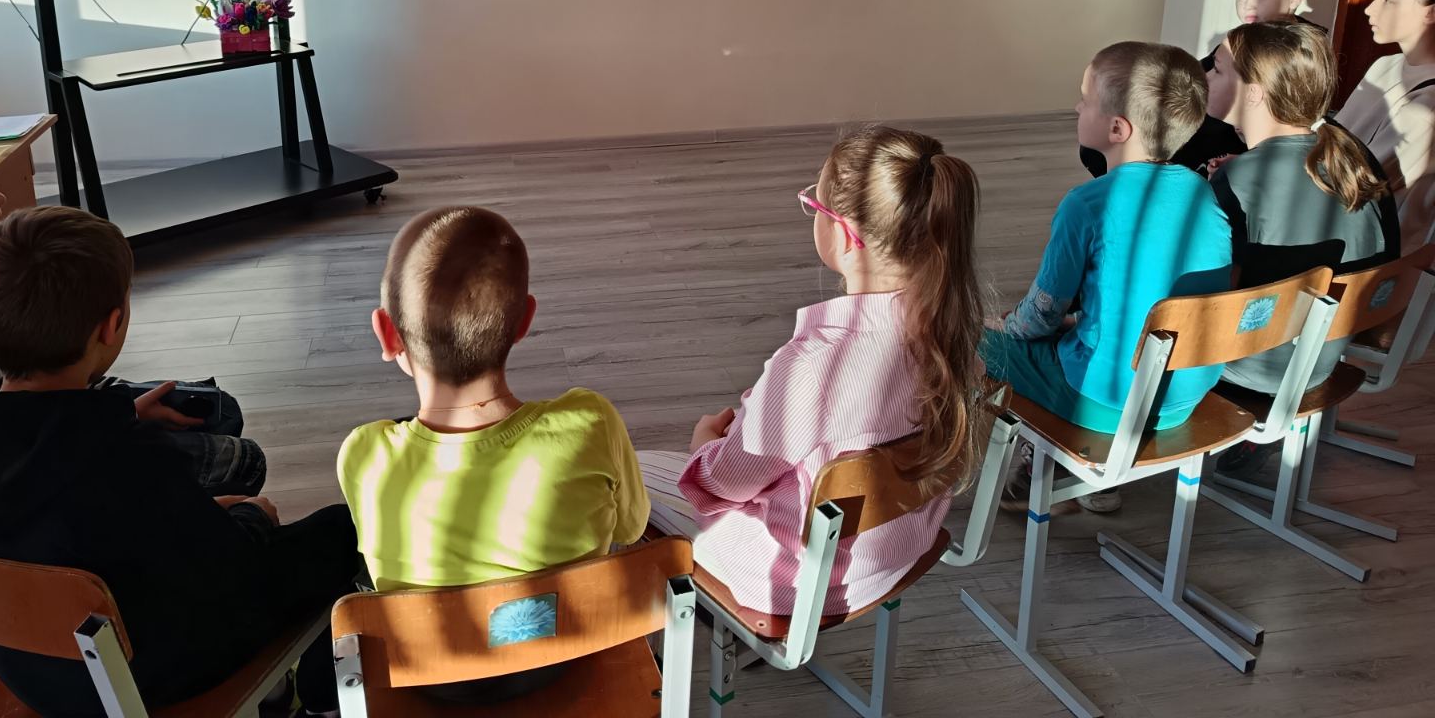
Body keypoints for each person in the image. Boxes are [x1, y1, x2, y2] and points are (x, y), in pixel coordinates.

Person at [0, 207, 361, 717]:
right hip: (147, 676)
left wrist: (119, 417)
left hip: (30, 671)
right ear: (113, 324)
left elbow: (44, 493)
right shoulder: (132, 466)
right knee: (348, 530)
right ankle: (315, 697)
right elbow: (228, 575)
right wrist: (251, 519)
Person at [638, 127, 988, 618]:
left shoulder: (812, 368)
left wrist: (703, 448)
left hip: (791, 582)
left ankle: (644, 635)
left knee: (628, 477)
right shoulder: (958, 337)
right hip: (894, 555)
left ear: (845, 236)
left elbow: (727, 484)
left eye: (815, 206)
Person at [0, 116, 264, 495]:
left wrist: (119, 409)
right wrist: (123, 415)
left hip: (19, 416)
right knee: (241, 461)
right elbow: (1, 433)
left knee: (217, 410)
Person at [338, 206, 648, 703]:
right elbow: (631, 529)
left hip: (432, 681)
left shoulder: (364, 454)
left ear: (387, 333)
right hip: (566, 656)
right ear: (524, 320)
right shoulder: (590, 423)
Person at [984, 43, 1232, 511]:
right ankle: (1085, 472)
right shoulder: (1203, 193)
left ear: (1118, 129)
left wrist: (1002, 325)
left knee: (980, 343)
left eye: (1085, 100)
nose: (1078, 107)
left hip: (1108, 403)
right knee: (1071, 332)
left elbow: (1039, 316)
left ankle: (1043, 474)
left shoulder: (1087, 203)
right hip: (1184, 399)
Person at [1204, 20, 1398, 474]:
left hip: (1255, 367)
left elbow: (1207, 295)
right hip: (1323, 362)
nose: (1206, 77)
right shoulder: (1352, 159)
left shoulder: (1239, 179)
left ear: (1254, 93)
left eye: (1216, 69)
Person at [1079, 0, 1316, 180]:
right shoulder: (1238, 39)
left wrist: (1246, 156)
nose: (1248, 6)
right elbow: (1199, 73)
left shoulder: (1298, 49)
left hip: (1224, 136)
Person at [1337, 0, 1435, 247]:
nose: (1370, 9)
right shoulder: (1385, 64)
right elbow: (1334, 136)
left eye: (1388, 0)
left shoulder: (1428, 103)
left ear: (1430, 12)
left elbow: (1364, 183)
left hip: (1377, 250)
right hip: (1340, 222)